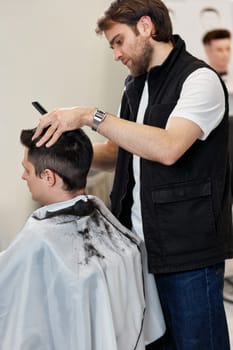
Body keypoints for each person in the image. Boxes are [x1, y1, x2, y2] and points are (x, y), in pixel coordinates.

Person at [33, 0, 233, 349]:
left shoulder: (200, 80)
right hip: (139, 248)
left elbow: (169, 147)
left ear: (145, 27)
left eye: (118, 41)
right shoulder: (135, 86)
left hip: (188, 254)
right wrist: (64, 152)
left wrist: (90, 116)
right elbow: (123, 152)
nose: (116, 54)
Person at [0, 127, 165, 350]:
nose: (23, 176)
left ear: (48, 177)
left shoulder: (38, 238)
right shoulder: (118, 232)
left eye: (27, 169)